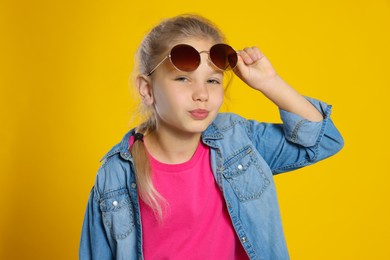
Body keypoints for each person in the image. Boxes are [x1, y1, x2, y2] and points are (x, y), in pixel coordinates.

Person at [79, 14, 343, 260]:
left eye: (213, 81)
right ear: (147, 90)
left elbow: (323, 139)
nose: (201, 94)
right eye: (183, 79)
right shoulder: (116, 175)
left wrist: (269, 82)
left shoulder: (239, 142)